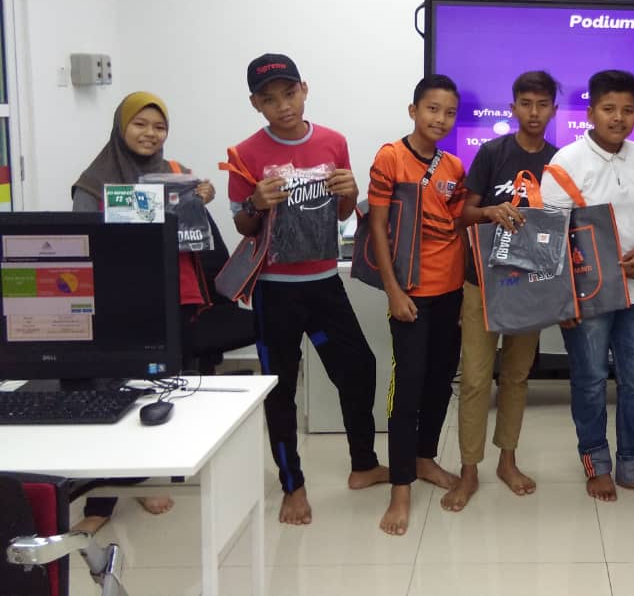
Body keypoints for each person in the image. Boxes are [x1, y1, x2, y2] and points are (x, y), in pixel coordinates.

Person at [227, 54, 387, 526]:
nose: (283, 106)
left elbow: (342, 214)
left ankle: (363, 464)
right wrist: (255, 202)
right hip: (274, 289)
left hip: (323, 283)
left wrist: (350, 192)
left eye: (290, 93)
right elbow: (243, 225)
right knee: (281, 388)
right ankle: (292, 486)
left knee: (359, 368)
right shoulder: (244, 153)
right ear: (255, 104)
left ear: (304, 89)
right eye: (270, 99)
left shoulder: (333, 142)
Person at [71, 91, 216, 530]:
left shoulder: (176, 173)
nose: (151, 134)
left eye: (159, 127)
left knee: (165, 390)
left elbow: (189, 228)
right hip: (120, 302)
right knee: (115, 395)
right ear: (121, 126)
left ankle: (151, 475)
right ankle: (101, 504)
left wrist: (201, 197)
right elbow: (84, 242)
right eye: (141, 124)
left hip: (172, 294)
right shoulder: (93, 182)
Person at [540, 69, 634, 504]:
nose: (619, 118)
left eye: (628, 110)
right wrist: (562, 299)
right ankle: (596, 465)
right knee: (591, 381)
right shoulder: (566, 162)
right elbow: (549, 239)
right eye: (609, 109)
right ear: (591, 112)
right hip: (588, 297)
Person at [441, 71, 559, 512]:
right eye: (525, 103)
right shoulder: (492, 153)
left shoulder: (559, 160)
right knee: (474, 379)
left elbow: (562, 226)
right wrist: (491, 210)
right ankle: (469, 470)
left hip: (530, 285)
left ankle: (508, 461)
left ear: (553, 110)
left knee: (516, 376)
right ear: (512, 108)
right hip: (482, 282)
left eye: (542, 104)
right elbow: (463, 215)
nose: (534, 112)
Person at [367, 74, 468, 536]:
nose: (440, 119)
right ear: (413, 111)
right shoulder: (390, 157)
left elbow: (459, 222)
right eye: (432, 109)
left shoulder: (454, 166)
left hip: (451, 292)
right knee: (406, 389)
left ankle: (425, 457)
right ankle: (400, 486)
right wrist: (393, 291)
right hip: (410, 294)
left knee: (440, 382)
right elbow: (378, 227)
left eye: (449, 112)